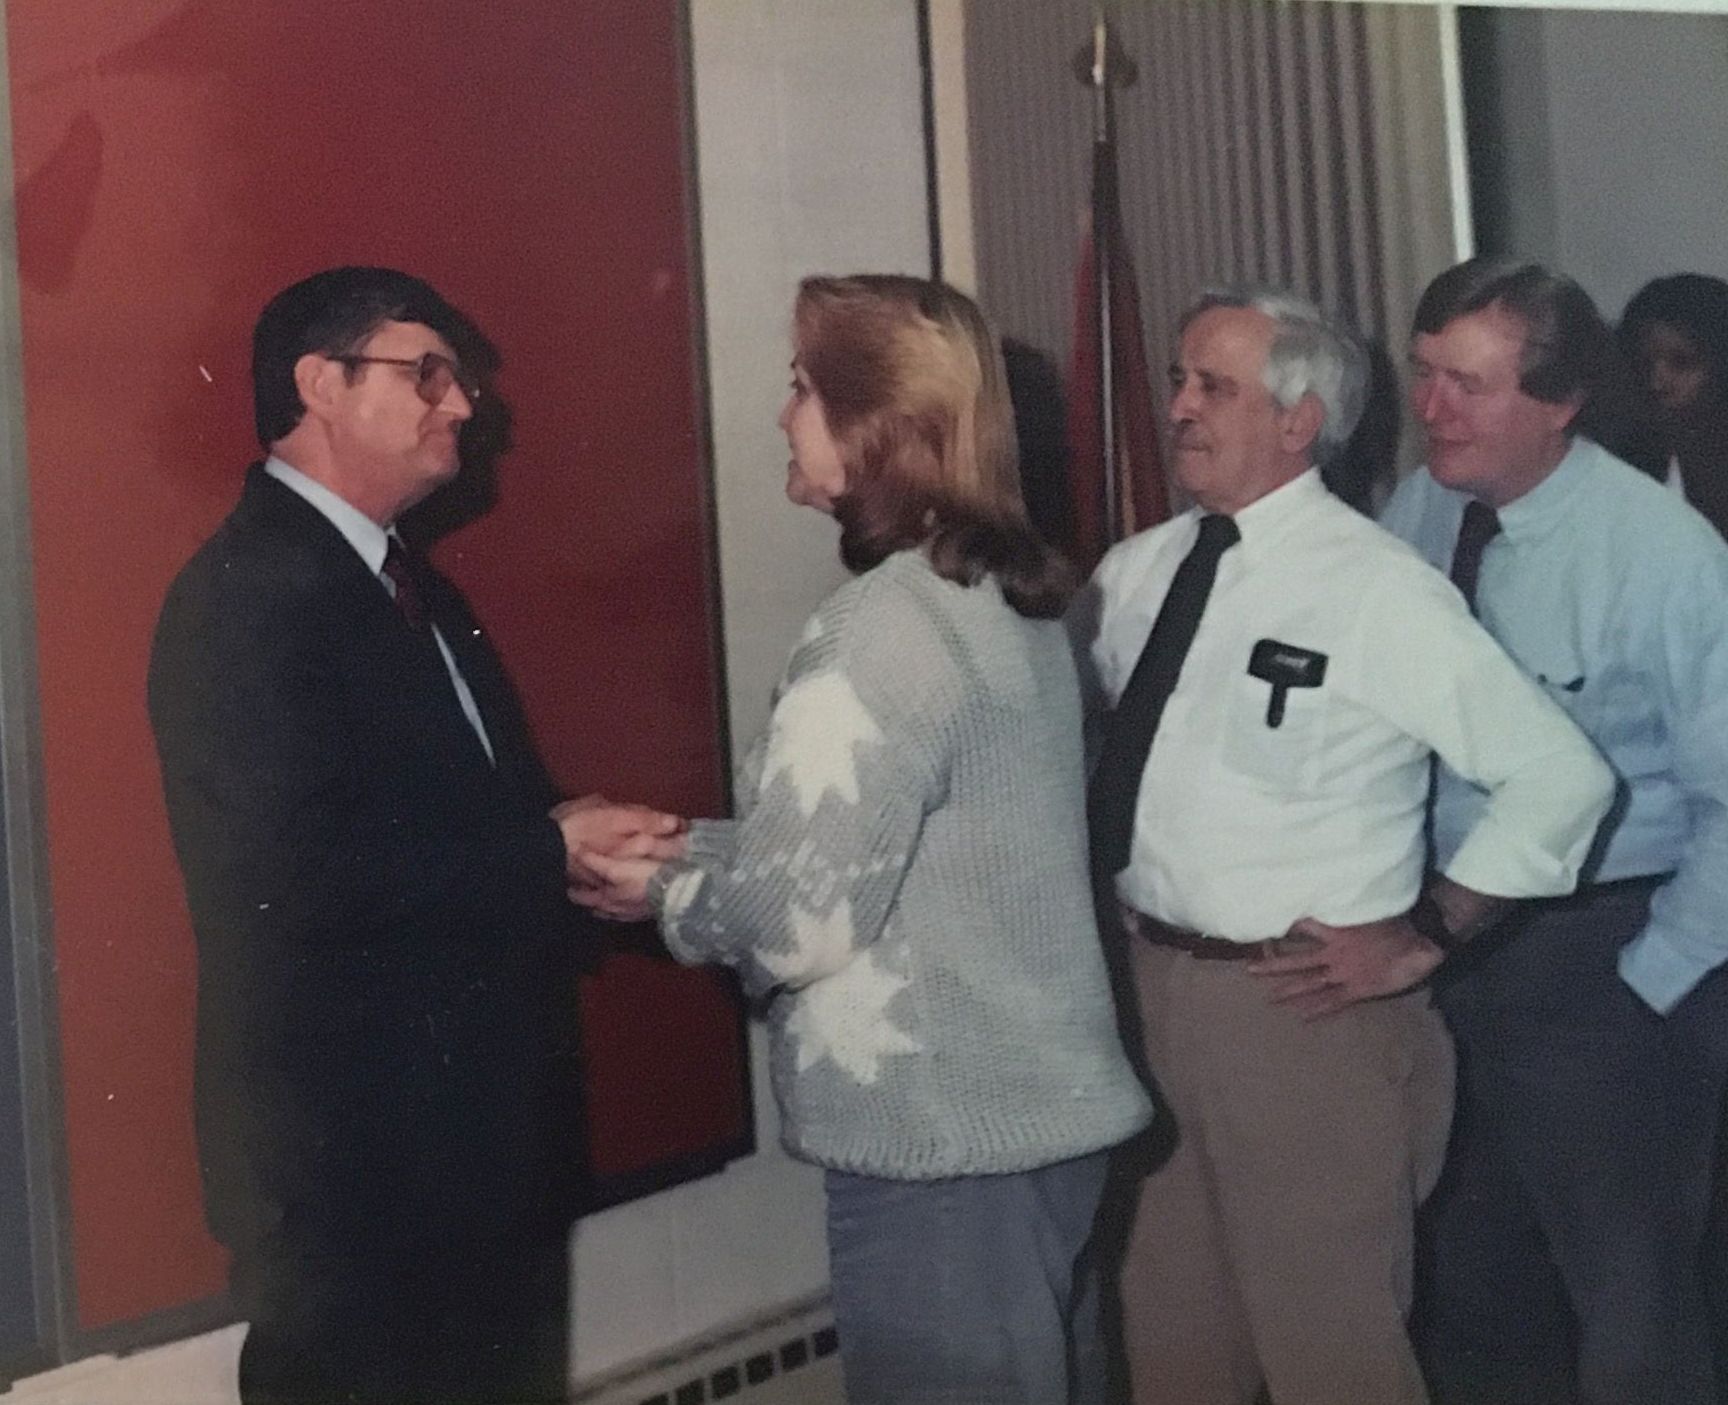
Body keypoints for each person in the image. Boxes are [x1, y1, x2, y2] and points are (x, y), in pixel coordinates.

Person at [578, 274, 1152, 1405]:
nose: (781, 413)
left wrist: (658, 895)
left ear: (872, 422)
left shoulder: (876, 629)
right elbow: (898, 849)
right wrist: (687, 845)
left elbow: (801, 921)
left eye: (799, 386)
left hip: (947, 1154)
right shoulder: (993, 602)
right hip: (1031, 1136)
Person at [148, 267, 680, 1405]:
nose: (462, 404)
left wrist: (580, 849)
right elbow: (285, 883)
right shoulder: (241, 597)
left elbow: (469, 827)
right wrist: (544, 851)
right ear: (318, 384)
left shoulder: (414, 588)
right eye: (426, 371)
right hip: (353, 1169)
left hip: (476, 1144)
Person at [1075, 287, 1614, 1405]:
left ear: (1299, 418)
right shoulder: (1133, 576)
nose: (1177, 406)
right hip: (1149, 991)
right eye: (1179, 379)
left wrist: (1425, 934)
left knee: (1332, 1356)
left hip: (1299, 1017)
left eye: (1210, 386)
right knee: (1168, 1344)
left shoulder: (1376, 592)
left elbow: (1559, 777)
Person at [1382, 257, 1728, 1405]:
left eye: (1466, 383)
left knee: (1630, 1313)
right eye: (1423, 373)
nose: (1430, 408)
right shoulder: (1418, 512)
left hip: (1605, 955)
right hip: (1447, 946)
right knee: (1474, 1293)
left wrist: (1652, 979)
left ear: (1559, 402)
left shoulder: (1660, 557)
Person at [1616, 275, 1728, 588]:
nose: (1657, 381)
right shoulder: (1623, 455)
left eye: (1682, 363)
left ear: (1726, 365)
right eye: (1644, 364)